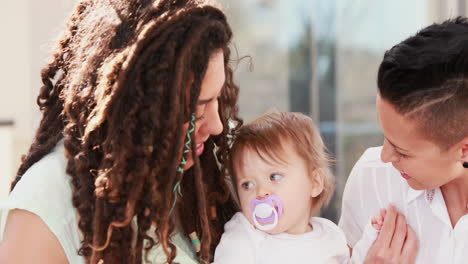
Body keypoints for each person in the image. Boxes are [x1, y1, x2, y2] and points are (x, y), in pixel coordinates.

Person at [0, 0, 242, 263]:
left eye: (217, 99)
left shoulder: (198, 177)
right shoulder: (48, 205)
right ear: (133, 104)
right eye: (197, 107)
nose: (216, 125)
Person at [339, 17, 468, 263]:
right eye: (385, 137)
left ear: (464, 150)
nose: (385, 157)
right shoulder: (371, 178)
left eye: (402, 151)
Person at [213, 112, 378, 264]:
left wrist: (371, 236)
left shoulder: (330, 235)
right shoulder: (245, 234)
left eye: (274, 177)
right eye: (247, 184)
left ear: (314, 183)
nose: (261, 192)